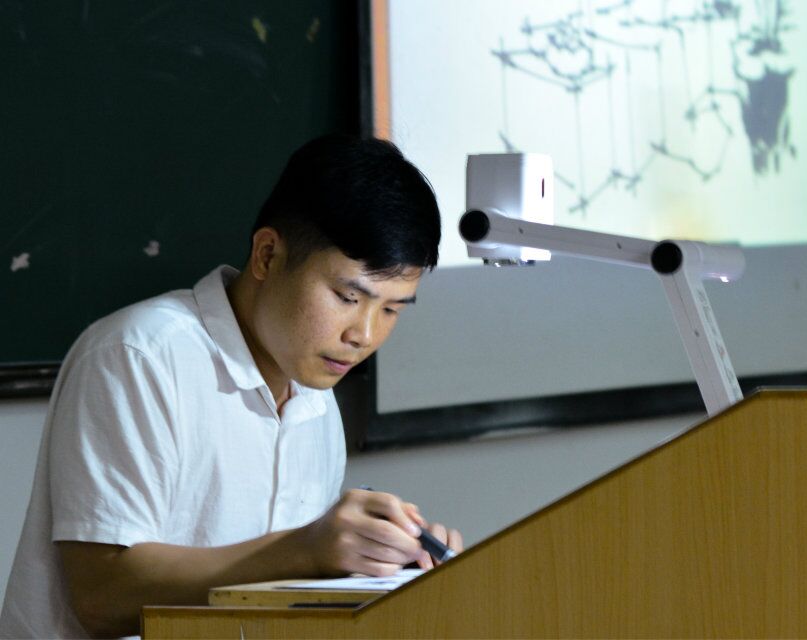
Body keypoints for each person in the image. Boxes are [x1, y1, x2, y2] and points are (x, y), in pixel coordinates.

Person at [0, 134, 463, 639]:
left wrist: (379, 560)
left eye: (392, 309)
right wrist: (307, 549)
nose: (364, 335)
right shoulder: (139, 355)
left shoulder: (314, 399)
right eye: (347, 297)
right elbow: (102, 595)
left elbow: (283, 594)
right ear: (267, 255)